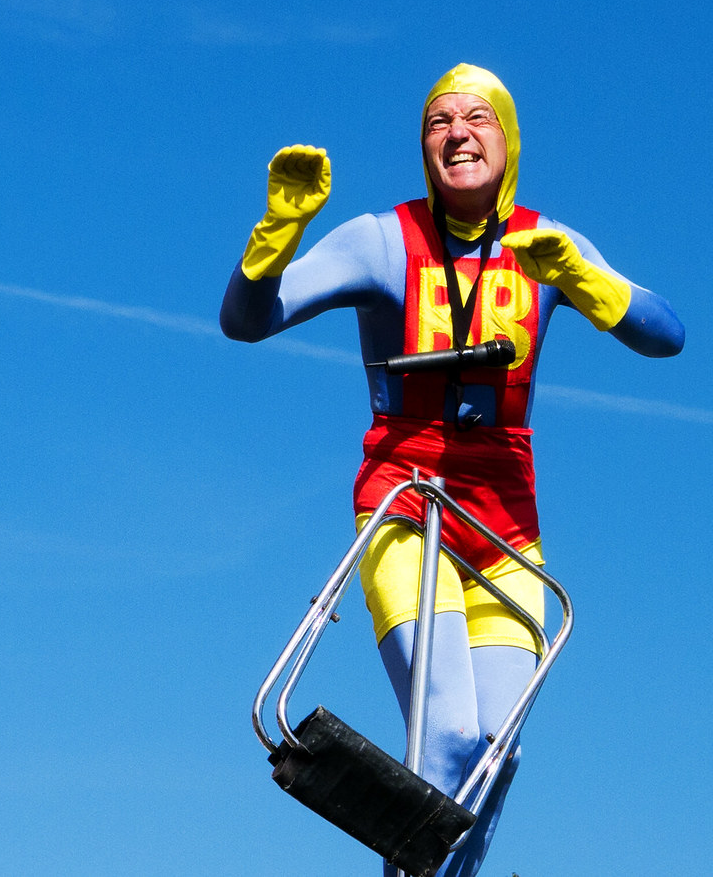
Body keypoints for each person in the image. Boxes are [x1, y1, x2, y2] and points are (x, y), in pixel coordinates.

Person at [220, 63, 684, 876]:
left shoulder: (546, 244)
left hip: (505, 528)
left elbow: (667, 335)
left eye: (478, 118)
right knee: (447, 734)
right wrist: (276, 234)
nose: (459, 132)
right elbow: (246, 322)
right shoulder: (381, 240)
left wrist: (582, 278)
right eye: (440, 120)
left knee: (494, 753)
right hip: (408, 505)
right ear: (424, 145)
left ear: (509, 142)